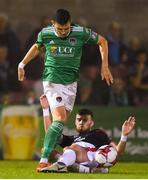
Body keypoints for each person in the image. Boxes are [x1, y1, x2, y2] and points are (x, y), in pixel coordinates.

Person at [18, 9, 113, 171]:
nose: (62, 32)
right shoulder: (46, 33)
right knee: (60, 118)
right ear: (53, 24)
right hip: (52, 80)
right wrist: (22, 64)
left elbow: (102, 41)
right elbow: (37, 46)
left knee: (59, 124)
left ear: (70, 23)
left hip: (71, 84)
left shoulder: (80, 32)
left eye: (66, 28)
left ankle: (56, 153)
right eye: (59, 29)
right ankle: (43, 159)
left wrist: (105, 66)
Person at [39, 95, 136, 173]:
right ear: (75, 122)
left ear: (92, 123)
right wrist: (45, 110)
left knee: (69, 148)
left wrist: (124, 135)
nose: (81, 122)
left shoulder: (98, 133)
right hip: (78, 159)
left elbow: (119, 152)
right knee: (47, 150)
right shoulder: (73, 138)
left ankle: (62, 165)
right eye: (79, 120)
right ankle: (79, 168)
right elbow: (50, 134)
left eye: (85, 120)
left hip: (92, 158)